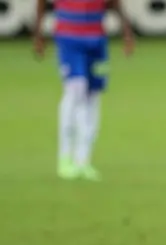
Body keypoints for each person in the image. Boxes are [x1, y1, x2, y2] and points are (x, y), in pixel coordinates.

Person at [33, 0, 135, 181]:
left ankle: (83, 160)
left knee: (93, 95)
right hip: (69, 36)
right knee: (75, 90)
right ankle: (65, 158)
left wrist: (126, 30)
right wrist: (38, 32)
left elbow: (115, 3)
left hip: (96, 40)